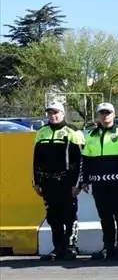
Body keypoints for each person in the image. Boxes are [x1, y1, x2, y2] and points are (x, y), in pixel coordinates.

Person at [81, 102, 118, 260]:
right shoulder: (91, 135)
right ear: (98, 116)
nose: (105, 115)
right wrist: (84, 180)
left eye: (108, 112)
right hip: (99, 183)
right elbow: (86, 160)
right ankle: (108, 246)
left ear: (114, 115)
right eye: (102, 113)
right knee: (104, 216)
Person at [31, 101, 83, 261]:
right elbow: (35, 160)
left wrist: (77, 184)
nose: (53, 116)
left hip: (67, 182)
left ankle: (71, 247)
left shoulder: (73, 132)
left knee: (69, 216)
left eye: (56, 113)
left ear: (62, 113)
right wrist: (36, 182)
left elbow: (81, 160)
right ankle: (58, 247)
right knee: (53, 216)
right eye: (50, 113)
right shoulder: (41, 132)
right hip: (47, 182)